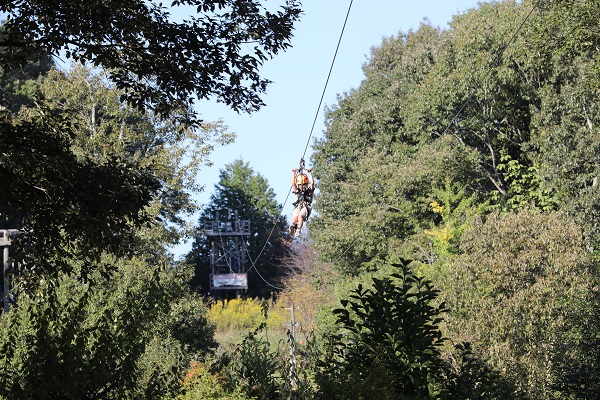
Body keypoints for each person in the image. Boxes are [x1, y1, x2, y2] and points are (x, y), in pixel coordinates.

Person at [289, 167, 314, 237]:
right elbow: (293, 184)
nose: (302, 187)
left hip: (306, 207)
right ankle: (292, 226)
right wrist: (294, 173)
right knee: (295, 218)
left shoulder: (309, 192)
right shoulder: (298, 192)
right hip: (298, 206)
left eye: (304, 185)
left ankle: (299, 228)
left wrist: (309, 173)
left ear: (306, 184)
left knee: (300, 216)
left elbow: (312, 183)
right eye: (300, 185)